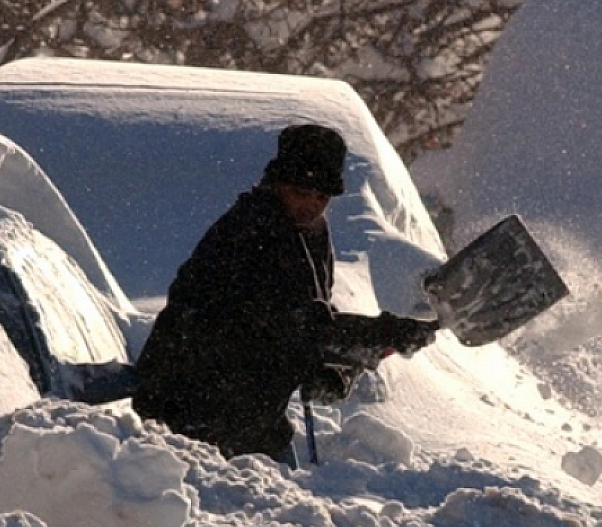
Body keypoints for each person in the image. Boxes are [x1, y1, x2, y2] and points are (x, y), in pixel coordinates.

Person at [131, 123, 437, 463]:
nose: (311, 205)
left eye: (321, 197)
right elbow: (294, 323)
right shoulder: (254, 229)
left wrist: (327, 366)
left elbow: (309, 319)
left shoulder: (308, 231)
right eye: (301, 192)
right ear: (276, 183)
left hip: (250, 408)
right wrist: (382, 333)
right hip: (191, 408)